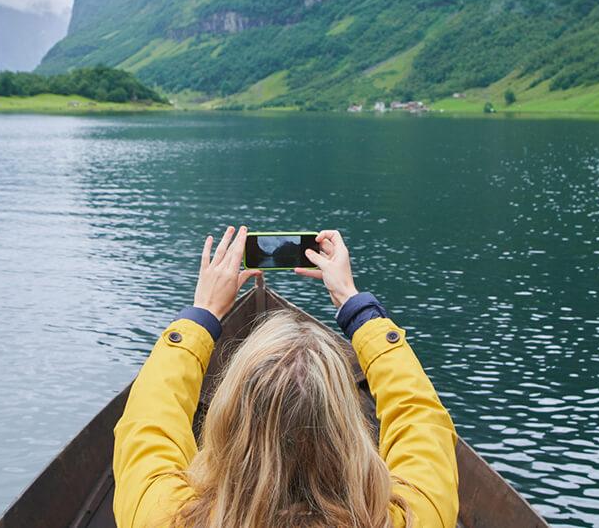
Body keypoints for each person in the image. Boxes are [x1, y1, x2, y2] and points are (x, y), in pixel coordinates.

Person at [112, 226, 458, 528]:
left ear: (228, 426)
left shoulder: (162, 517)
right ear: (347, 433)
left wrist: (203, 314)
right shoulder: (414, 516)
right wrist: (354, 305)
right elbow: (422, 420)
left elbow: (147, 424)